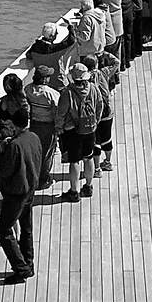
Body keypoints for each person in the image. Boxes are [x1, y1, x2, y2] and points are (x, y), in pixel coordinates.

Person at [0, 116, 39, 283]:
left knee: (4, 230)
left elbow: (5, 169)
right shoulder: (33, 137)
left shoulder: (14, 145)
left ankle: (21, 268)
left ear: (15, 126)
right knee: (26, 227)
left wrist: (3, 150)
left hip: (16, 192)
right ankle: (28, 263)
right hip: (31, 187)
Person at [57, 61, 105, 200]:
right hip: (90, 129)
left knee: (75, 161)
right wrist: (95, 121)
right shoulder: (93, 89)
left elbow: (61, 114)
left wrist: (59, 128)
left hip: (73, 131)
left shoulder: (68, 93)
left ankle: (74, 192)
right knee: (88, 157)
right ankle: (88, 186)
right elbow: (99, 106)